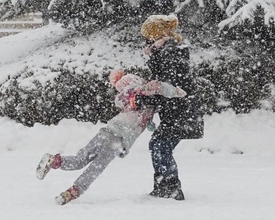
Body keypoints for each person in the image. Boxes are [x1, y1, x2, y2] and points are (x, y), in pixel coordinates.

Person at [36, 69, 187, 205]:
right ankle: (74, 191)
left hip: (108, 131)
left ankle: (55, 161)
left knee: (80, 159)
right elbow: (161, 87)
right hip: (118, 139)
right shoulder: (143, 92)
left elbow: (137, 113)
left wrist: (149, 121)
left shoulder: (131, 99)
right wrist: (178, 92)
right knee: (95, 169)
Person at [134, 14, 204, 200]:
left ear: (157, 33)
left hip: (181, 110)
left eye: (148, 34)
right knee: (158, 144)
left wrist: (146, 97)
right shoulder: (164, 51)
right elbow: (162, 85)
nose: (146, 39)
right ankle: (165, 186)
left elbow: (166, 85)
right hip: (178, 110)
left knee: (160, 145)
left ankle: (170, 187)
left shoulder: (169, 51)